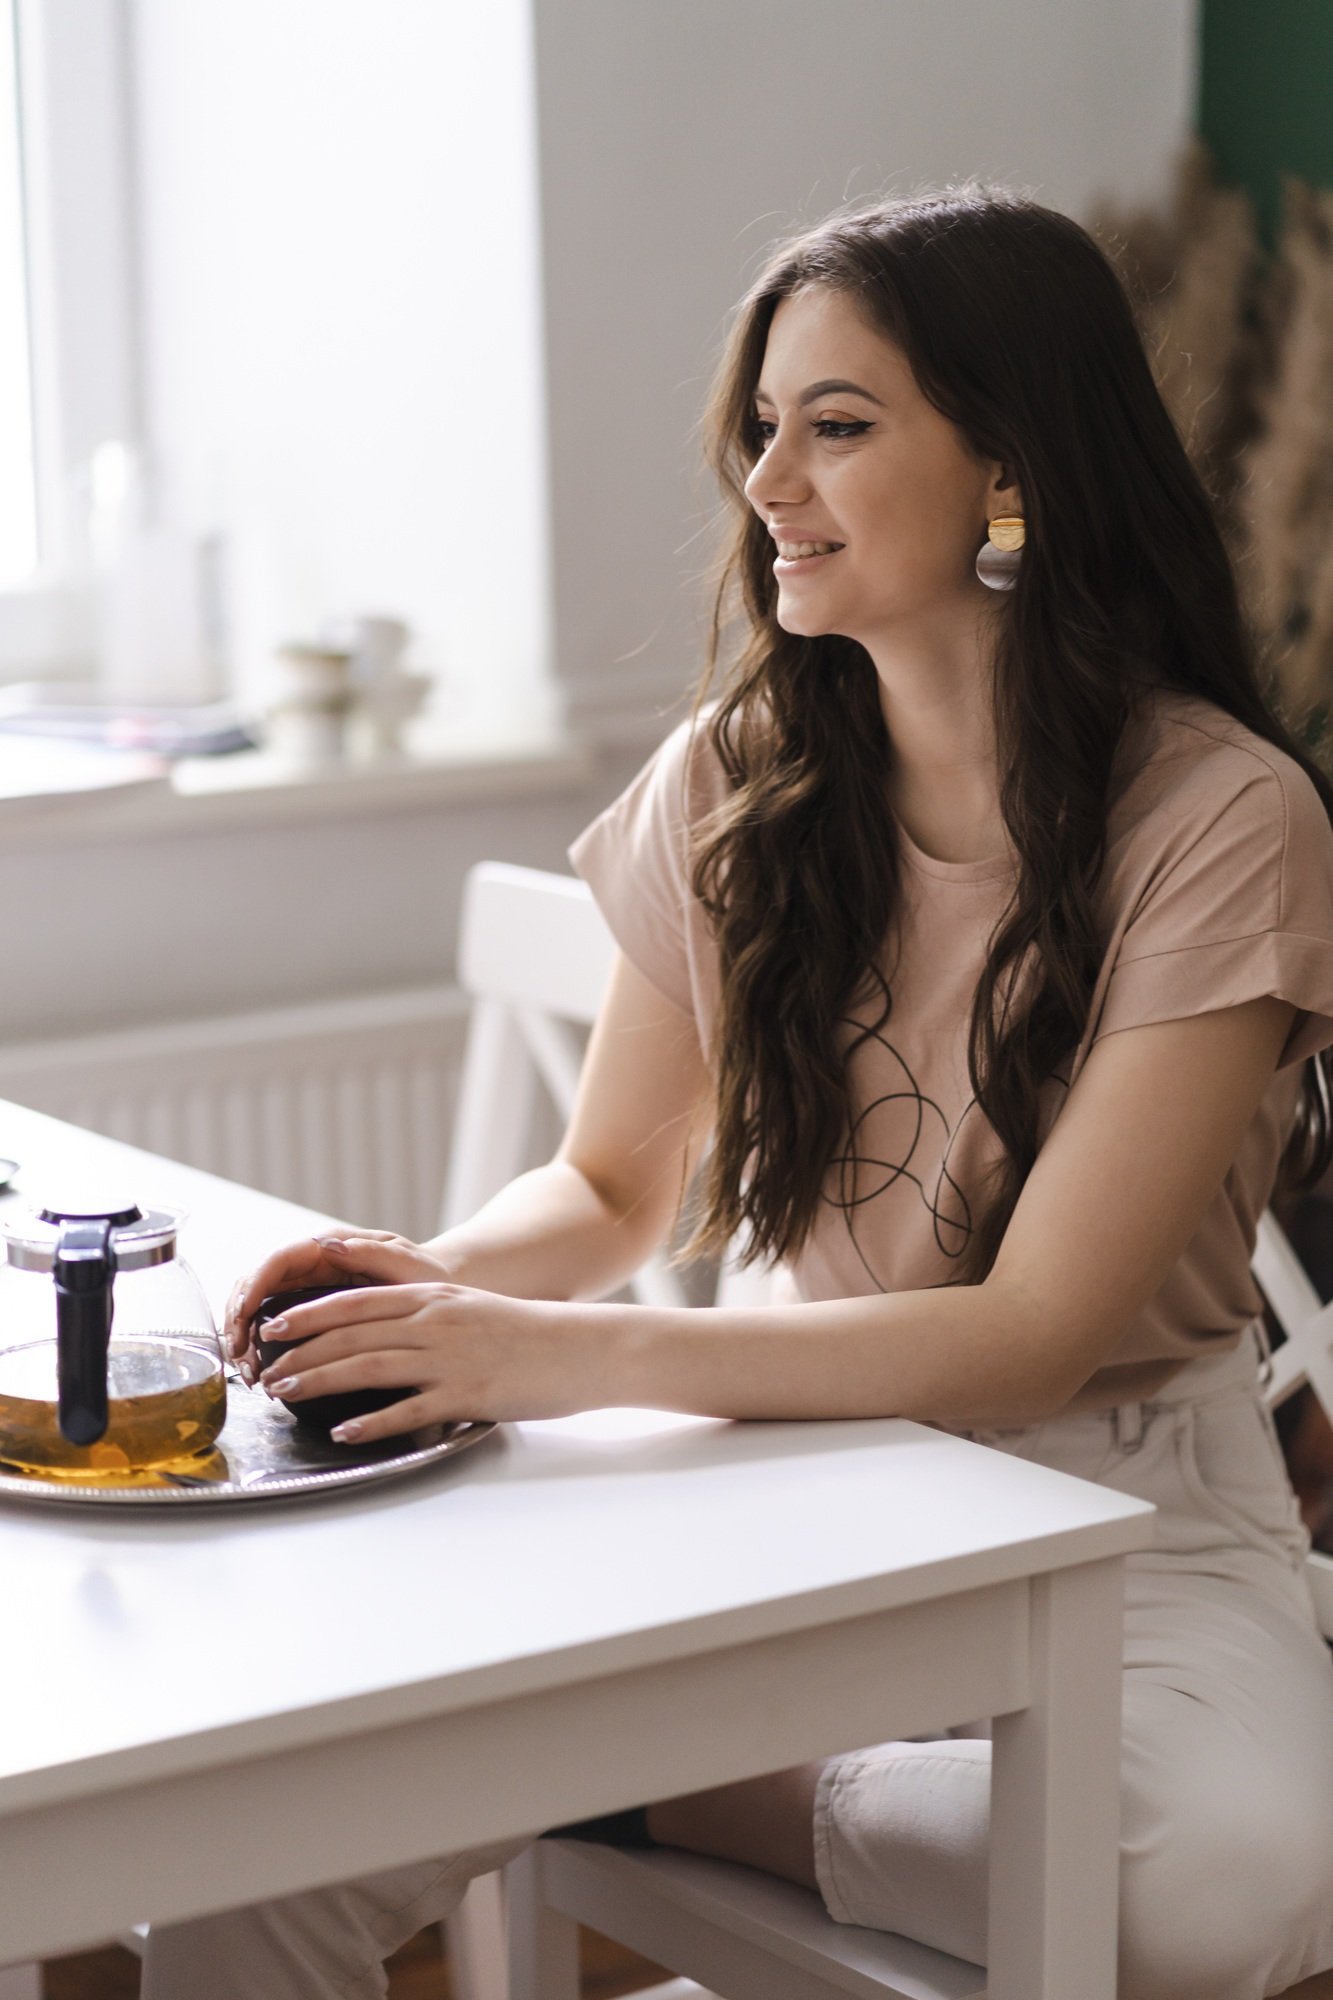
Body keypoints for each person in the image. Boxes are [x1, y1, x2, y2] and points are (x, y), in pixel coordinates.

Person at [142, 187, 1333, 2000]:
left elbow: (1027, 1334)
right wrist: (428, 1289)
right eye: (763, 428)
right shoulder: (742, 772)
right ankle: (665, 1772)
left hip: (1130, 1506)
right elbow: (613, 1189)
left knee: (1214, 1889)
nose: (768, 482)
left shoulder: (1219, 820)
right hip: (767, 1467)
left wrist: (551, 1359)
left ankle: (686, 1792)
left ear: (1010, 465)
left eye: (837, 427)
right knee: (253, 1838)